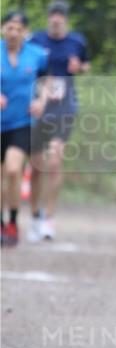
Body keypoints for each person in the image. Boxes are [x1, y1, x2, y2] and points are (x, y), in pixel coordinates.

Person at [29, 0, 90, 241]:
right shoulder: (35, 40)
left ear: (65, 18)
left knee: (54, 161)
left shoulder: (77, 41)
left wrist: (80, 68)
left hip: (64, 107)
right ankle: (34, 215)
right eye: (52, 14)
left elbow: (86, 65)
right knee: (36, 166)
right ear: (48, 17)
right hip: (38, 106)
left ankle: (49, 218)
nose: (56, 18)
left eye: (60, 15)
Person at [1, 12, 49, 247]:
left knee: (12, 170)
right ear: (3, 29)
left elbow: (47, 82)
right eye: (9, 28)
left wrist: (41, 99)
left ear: (25, 32)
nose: (13, 33)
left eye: (18, 29)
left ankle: (12, 220)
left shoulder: (37, 55)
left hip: (21, 122)